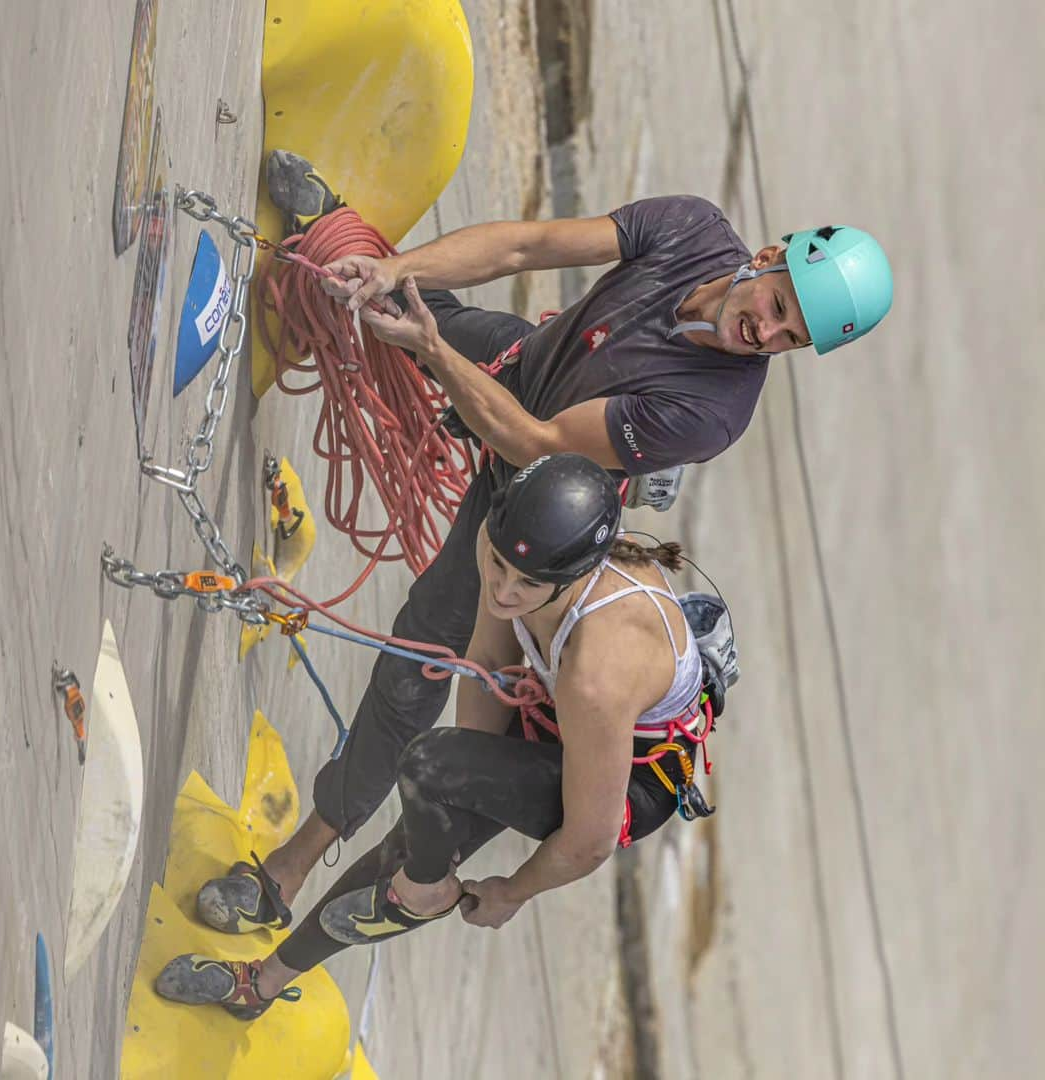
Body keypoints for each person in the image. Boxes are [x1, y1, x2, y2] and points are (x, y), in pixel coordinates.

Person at [191, 151, 892, 932]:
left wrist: (433, 354)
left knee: (416, 661)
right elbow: (526, 246)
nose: (768, 331)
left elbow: (537, 442)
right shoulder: (691, 229)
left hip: (535, 498)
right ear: (768, 258)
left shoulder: (713, 409)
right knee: (408, 302)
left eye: (790, 338)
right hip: (527, 366)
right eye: (779, 303)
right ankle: (336, 229)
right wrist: (399, 273)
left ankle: (285, 872)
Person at [157, 453, 733, 1018]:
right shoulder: (505, 546)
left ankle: (316, 952)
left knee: (428, 770)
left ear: (575, 575)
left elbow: (590, 840)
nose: (504, 590)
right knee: (420, 824)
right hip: (558, 714)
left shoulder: (600, 670)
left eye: (526, 583)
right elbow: (486, 656)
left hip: (627, 776)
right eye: (499, 567)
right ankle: (276, 977)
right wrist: (444, 823)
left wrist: (512, 890)